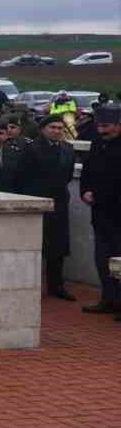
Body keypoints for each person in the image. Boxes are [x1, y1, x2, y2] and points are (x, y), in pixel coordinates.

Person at [13, 115, 78, 301]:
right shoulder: (32, 149)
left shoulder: (67, 148)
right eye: (53, 127)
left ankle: (56, 285)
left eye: (60, 128)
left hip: (59, 202)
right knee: (34, 245)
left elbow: (67, 175)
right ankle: (28, 285)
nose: (57, 131)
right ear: (43, 129)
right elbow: (21, 177)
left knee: (57, 247)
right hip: (36, 201)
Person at [80, 105, 121, 317]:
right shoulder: (97, 143)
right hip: (100, 213)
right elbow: (87, 170)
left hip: (117, 213)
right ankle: (109, 298)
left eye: (106, 126)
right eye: (99, 126)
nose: (101, 130)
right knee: (102, 258)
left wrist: (102, 197)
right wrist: (84, 191)